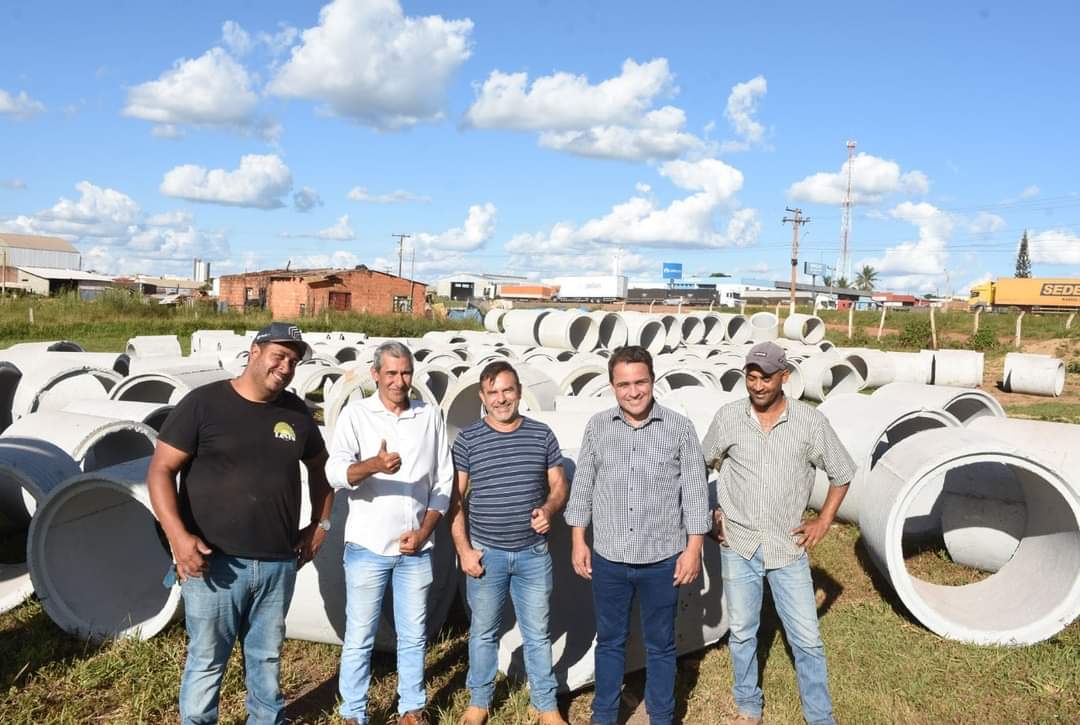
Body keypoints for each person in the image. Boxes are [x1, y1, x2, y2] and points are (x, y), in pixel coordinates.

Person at [148, 321, 332, 725]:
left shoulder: (297, 413)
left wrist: (320, 527)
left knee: (266, 659)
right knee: (207, 660)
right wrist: (179, 539)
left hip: (276, 563)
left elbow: (321, 470)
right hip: (214, 564)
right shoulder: (203, 404)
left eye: (294, 361)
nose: (286, 367)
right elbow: (160, 470)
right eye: (279, 356)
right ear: (254, 351)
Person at [702, 340, 856, 725]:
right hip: (738, 542)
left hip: (787, 547)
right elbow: (699, 466)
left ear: (784, 377)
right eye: (751, 378)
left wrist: (823, 521)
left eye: (766, 378)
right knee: (742, 634)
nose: (757, 386)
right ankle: (749, 707)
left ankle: (820, 717)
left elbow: (842, 472)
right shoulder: (728, 418)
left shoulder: (810, 422)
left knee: (806, 639)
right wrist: (708, 515)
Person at [564, 345, 712, 725]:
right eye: (624, 384)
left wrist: (693, 549)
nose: (633, 392)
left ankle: (661, 715)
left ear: (653, 381)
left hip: (663, 558)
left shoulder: (679, 428)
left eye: (640, 382)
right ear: (612, 386)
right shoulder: (598, 426)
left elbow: (695, 494)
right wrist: (579, 540)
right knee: (610, 641)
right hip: (610, 558)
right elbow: (583, 487)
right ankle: (605, 715)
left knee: (660, 645)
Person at [325, 341, 453, 725]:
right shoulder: (357, 415)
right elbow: (336, 473)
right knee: (360, 636)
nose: (400, 381)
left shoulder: (428, 416)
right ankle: (353, 712)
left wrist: (425, 529)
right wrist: (373, 465)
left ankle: (411, 708)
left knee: (413, 634)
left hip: (416, 547)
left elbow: (443, 481)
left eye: (406, 373)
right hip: (367, 546)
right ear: (376, 374)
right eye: (392, 373)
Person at [449, 361, 569, 725]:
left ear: (519, 391)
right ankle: (480, 701)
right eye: (493, 393)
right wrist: (464, 551)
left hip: (532, 553)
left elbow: (559, 485)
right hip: (487, 554)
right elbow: (455, 500)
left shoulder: (541, 434)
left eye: (507, 390)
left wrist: (550, 508)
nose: (501, 399)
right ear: (483, 397)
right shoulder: (468, 439)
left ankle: (546, 705)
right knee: (484, 632)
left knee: (538, 632)